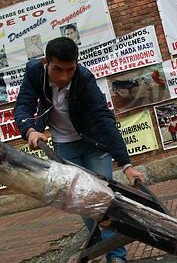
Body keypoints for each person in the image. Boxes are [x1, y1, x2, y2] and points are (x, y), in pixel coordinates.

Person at [14, 37, 144, 263]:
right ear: (46, 62)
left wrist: (126, 164)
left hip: (94, 144)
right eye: (57, 70)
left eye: (70, 70)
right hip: (64, 146)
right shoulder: (35, 72)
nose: (64, 77)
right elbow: (24, 104)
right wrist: (29, 130)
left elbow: (104, 119)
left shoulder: (84, 78)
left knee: (102, 199)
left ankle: (117, 258)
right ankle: (99, 244)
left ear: (77, 65)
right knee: (83, 203)